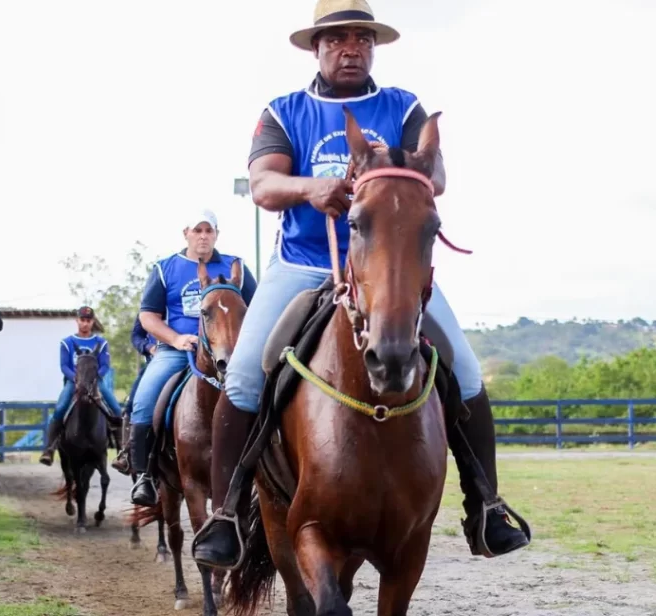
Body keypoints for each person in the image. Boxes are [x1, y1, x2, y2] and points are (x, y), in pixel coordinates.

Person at [191, 0, 531, 570]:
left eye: (362, 38)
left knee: (466, 371)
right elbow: (263, 184)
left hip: (390, 268)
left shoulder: (403, 106)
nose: (351, 47)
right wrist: (311, 189)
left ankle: (486, 506)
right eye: (338, 39)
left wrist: (383, 171)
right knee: (247, 373)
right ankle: (226, 515)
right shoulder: (284, 111)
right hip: (303, 264)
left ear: (373, 47)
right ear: (316, 48)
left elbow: (436, 175)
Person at [127, 209, 257, 507]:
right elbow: (148, 317)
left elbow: (256, 306)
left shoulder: (235, 265)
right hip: (179, 350)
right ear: (185, 233)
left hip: (230, 352)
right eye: (197, 230)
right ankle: (144, 475)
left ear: (216, 235)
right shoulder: (165, 268)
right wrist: (175, 339)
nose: (203, 236)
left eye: (208, 231)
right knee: (144, 400)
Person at [39, 306, 124, 466]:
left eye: (88, 320)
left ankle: (121, 449)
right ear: (77, 320)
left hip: (95, 381)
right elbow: (64, 366)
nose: (85, 324)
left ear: (92, 322)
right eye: (82, 320)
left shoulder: (101, 342)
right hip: (74, 381)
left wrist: (94, 378)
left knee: (116, 409)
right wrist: (77, 379)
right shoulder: (67, 342)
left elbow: (105, 365)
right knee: (60, 408)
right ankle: (49, 449)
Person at [111, 315, 156, 473]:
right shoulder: (149, 304)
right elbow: (136, 335)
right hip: (155, 362)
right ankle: (126, 452)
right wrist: (148, 347)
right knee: (131, 403)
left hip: (198, 359)